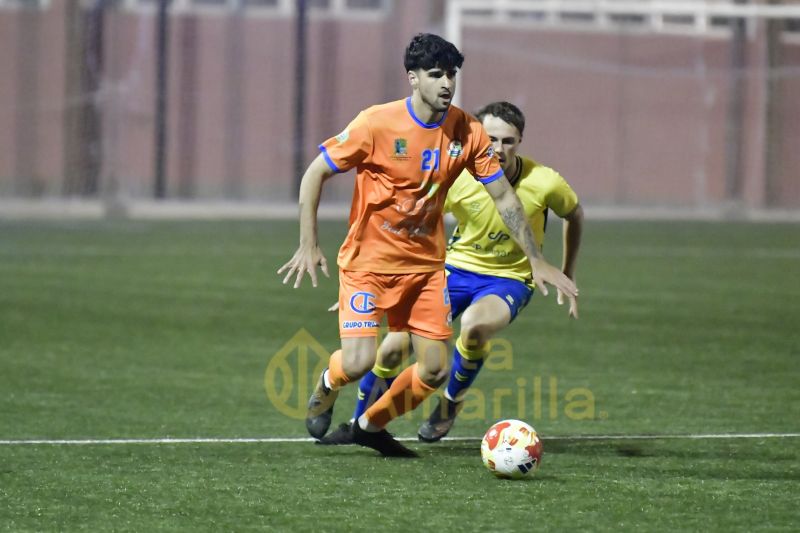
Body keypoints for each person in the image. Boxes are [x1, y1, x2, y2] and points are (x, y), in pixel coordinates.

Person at [277, 34, 578, 457]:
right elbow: (315, 173)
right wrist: (308, 244)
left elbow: (504, 197)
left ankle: (369, 426)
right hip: (368, 264)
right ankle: (328, 383)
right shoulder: (375, 123)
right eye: (436, 74)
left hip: (425, 270)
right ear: (413, 78)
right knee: (360, 361)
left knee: (435, 370)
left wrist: (537, 259)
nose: (447, 83)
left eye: (452, 74)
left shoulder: (468, 131)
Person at [319, 101, 583, 445]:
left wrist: (567, 271)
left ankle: (450, 403)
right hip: (453, 269)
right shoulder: (459, 177)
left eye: (508, 141)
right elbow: (411, 222)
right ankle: (359, 422)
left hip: (509, 279)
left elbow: (574, 215)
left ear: (520, 141)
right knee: (393, 348)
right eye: (491, 139)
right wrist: (366, 284)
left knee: (474, 326)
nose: (498, 149)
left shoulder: (545, 182)